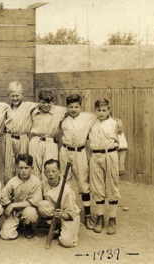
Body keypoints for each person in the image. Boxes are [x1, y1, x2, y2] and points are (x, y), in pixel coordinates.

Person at [59, 93, 97, 230]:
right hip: (65, 151)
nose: (73, 109)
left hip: (80, 152)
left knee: (83, 183)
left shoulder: (88, 117)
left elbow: (104, 115)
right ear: (67, 107)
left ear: (81, 107)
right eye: (71, 107)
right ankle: (67, 211)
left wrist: (119, 121)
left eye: (76, 106)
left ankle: (87, 215)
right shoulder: (63, 118)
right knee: (64, 182)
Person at [89, 98, 123, 235]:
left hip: (111, 155)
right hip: (95, 156)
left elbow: (123, 146)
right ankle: (100, 218)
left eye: (104, 110)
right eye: (99, 110)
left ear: (109, 110)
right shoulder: (91, 121)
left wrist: (121, 164)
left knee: (112, 187)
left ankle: (112, 219)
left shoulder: (115, 124)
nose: (101, 113)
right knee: (97, 187)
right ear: (95, 110)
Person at [38, 159, 81, 248]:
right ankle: (56, 227)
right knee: (42, 205)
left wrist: (62, 215)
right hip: (55, 214)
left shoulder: (67, 190)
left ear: (59, 172)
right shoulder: (43, 185)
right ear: (44, 173)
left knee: (66, 242)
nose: (51, 174)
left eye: (54, 171)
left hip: (68, 215)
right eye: (48, 171)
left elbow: (71, 212)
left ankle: (63, 229)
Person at [0, 154, 42, 240]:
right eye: (21, 168)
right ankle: (16, 224)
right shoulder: (13, 181)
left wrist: (13, 205)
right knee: (6, 235)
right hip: (14, 212)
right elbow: (4, 195)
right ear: (17, 168)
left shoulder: (35, 180)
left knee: (31, 213)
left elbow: (34, 201)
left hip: (28, 208)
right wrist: (11, 206)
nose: (23, 171)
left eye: (26, 168)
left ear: (32, 168)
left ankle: (28, 226)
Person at [3, 82, 37, 185]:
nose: (15, 98)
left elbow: (45, 105)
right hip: (9, 138)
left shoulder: (29, 106)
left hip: (23, 138)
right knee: (8, 166)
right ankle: (9, 189)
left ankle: (23, 189)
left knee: (23, 165)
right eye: (12, 96)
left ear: (22, 94)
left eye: (17, 95)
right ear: (8, 95)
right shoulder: (6, 108)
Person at [28, 91, 67, 180]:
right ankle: (36, 191)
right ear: (39, 102)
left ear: (52, 102)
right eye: (43, 102)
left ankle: (48, 192)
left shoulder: (59, 111)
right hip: (35, 141)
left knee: (50, 169)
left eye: (48, 102)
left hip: (50, 142)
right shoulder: (33, 111)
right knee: (34, 168)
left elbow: (72, 109)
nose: (46, 105)